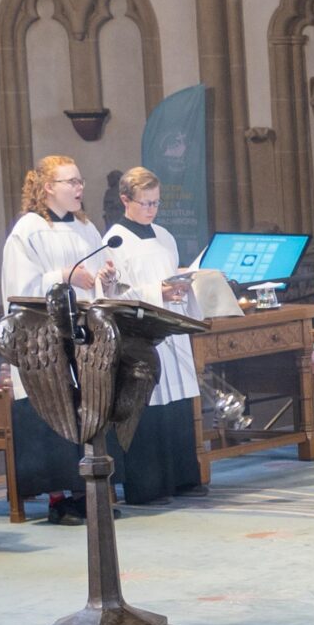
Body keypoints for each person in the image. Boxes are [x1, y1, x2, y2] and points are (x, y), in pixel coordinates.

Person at [0, 155, 111, 519]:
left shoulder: (86, 228)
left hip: (83, 333)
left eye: (80, 181)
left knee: (85, 408)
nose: (79, 188)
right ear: (48, 187)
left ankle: (87, 492)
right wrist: (62, 276)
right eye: (71, 182)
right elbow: (20, 289)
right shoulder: (28, 230)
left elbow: (97, 274)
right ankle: (57, 499)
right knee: (54, 410)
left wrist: (105, 277)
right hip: (44, 338)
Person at [101, 168, 204, 505]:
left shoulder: (164, 235)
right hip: (141, 335)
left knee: (177, 402)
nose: (151, 210)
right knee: (149, 406)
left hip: (171, 326)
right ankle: (148, 486)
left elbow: (171, 274)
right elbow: (114, 295)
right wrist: (157, 291)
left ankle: (183, 477)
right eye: (145, 203)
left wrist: (182, 286)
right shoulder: (114, 241)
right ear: (125, 200)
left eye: (156, 203)